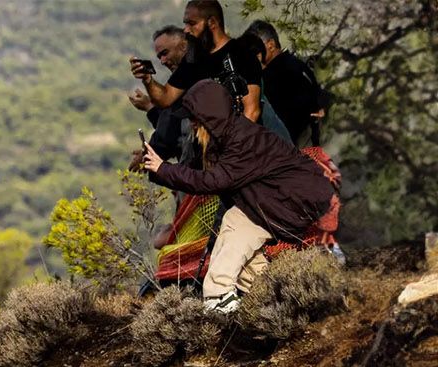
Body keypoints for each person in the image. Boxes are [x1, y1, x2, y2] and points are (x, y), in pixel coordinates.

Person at [142, 80, 336, 311]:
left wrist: (163, 168)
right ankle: (280, 295)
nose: (191, 124)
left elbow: (212, 181)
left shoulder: (243, 142)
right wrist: (157, 170)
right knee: (246, 260)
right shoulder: (227, 136)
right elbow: (207, 179)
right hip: (276, 201)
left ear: (209, 116)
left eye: (194, 118)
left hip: (289, 203)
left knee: (236, 221)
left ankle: (219, 295)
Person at [132, 1, 280, 139]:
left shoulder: (242, 54)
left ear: (212, 23)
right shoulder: (193, 60)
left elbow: (251, 111)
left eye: (192, 24)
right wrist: (147, 80)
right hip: (210, 154)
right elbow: (165, 98)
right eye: (185, 24)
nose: (186, 30)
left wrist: (233, 150)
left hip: (244, 149)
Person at [247, 20, 328, 147]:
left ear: (271, 45)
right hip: (310, 140)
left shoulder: (277, 72)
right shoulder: (295, 63)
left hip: (299, 145)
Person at [131, 27, 198, 165]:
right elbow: (172, 124)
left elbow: (169, 133)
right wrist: (150, 107)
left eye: (165, 53)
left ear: (184, 46)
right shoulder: (183, 80)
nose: (162, 61)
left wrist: (150, 153)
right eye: (159, 56)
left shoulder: (191, 76)